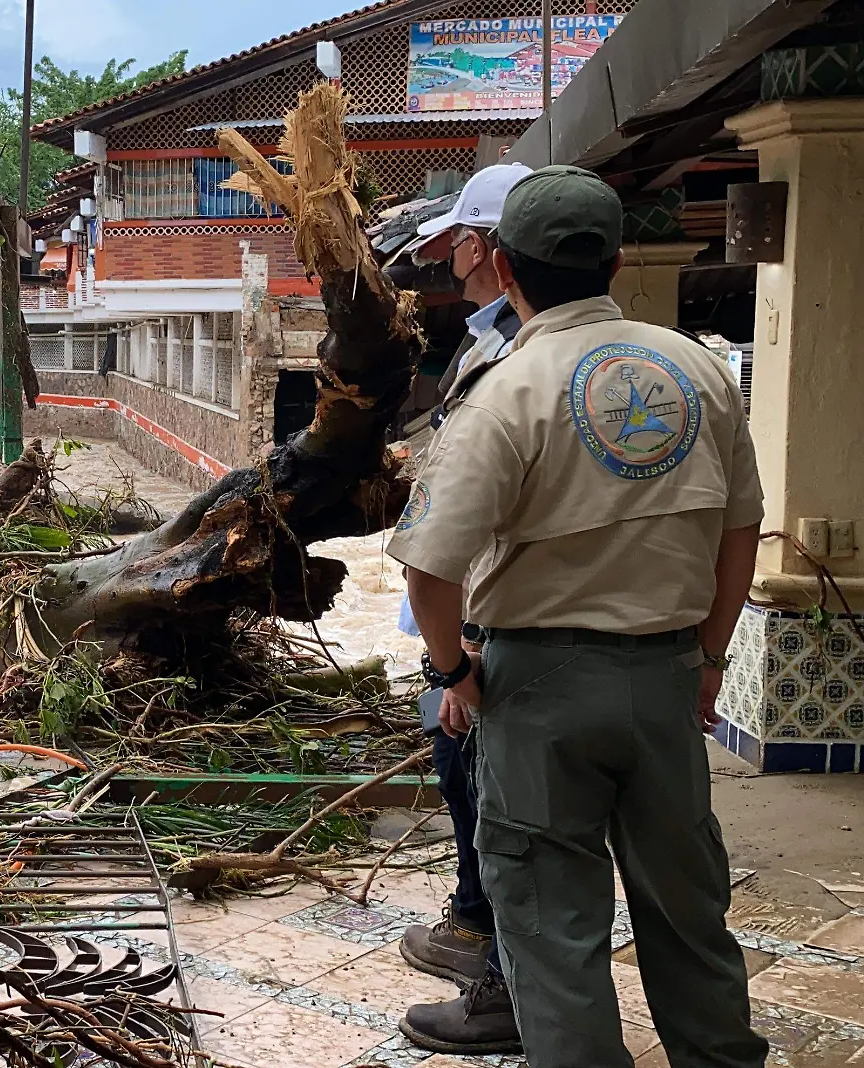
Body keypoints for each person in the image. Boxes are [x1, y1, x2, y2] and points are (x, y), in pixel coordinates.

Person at [387, 165, 769, 1068]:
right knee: (689, 914)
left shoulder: (507, 389)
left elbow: (430, 572)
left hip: (540, 690)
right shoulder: (701, 371)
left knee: (553, 933)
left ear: (507, 269)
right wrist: (709, 661)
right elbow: (742, 530)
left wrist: (455, 675)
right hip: (667, 679)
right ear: (618, 260)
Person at [387, 162, 529, 1056]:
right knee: (466, 780)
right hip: (490, 621)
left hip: (489, 625)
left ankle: (498, 965)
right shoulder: (496, 341)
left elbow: (470, 538)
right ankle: (477, 922)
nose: (450, 263)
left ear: (484, 247)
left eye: (458, 246)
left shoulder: (520, 360)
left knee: (492, 795)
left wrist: (456, 660)